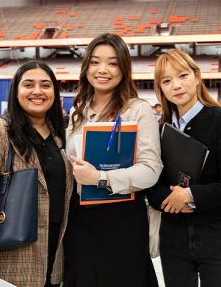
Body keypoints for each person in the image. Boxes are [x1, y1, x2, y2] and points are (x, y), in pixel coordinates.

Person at [0, 61, 73, 287]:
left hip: (52, 261)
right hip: (10, 262)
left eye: (46, 85)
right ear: (16, 91)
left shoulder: (61, 136)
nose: (37, 92)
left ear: (55, 93)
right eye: (28, 85)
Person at [64, 33, 163, 287]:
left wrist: (101, 178)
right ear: (86, 66)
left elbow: (151, 170)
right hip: (80, 219)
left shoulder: (138, 109)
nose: (102, 70)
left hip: (122, 219)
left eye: (112, 62)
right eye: (95, 62)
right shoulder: (78, 110)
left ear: (124, 67)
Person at [146, 49, 221, 287]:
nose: (176, 86)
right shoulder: (159, 128)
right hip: (173, 233)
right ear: (161, 89)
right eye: (167, 81)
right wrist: (171, 199)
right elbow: (151, 181)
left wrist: (189, 196)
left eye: (182, 76)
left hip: (217, 232)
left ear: (197, 76)